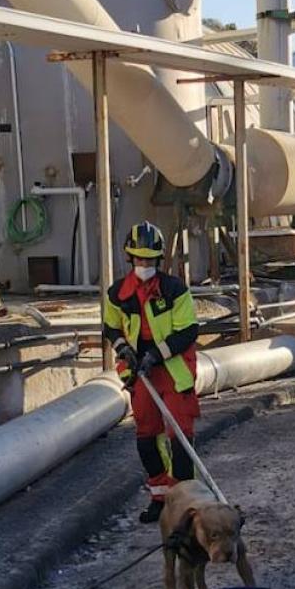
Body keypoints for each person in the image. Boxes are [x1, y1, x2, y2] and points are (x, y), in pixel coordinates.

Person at [103, 221, 200, 523]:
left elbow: (188, 331)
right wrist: (122, 349)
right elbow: (111, 326)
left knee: (180, 436)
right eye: (139, 259)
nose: (144, 265)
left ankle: (185, 504)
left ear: (159, 259)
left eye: (150, 260)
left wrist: (156, 355)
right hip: (140, 373)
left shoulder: (174, 290)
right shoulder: (118, 293)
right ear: (130, 257)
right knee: (146, 435)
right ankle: (160, 498)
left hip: (173, 370)